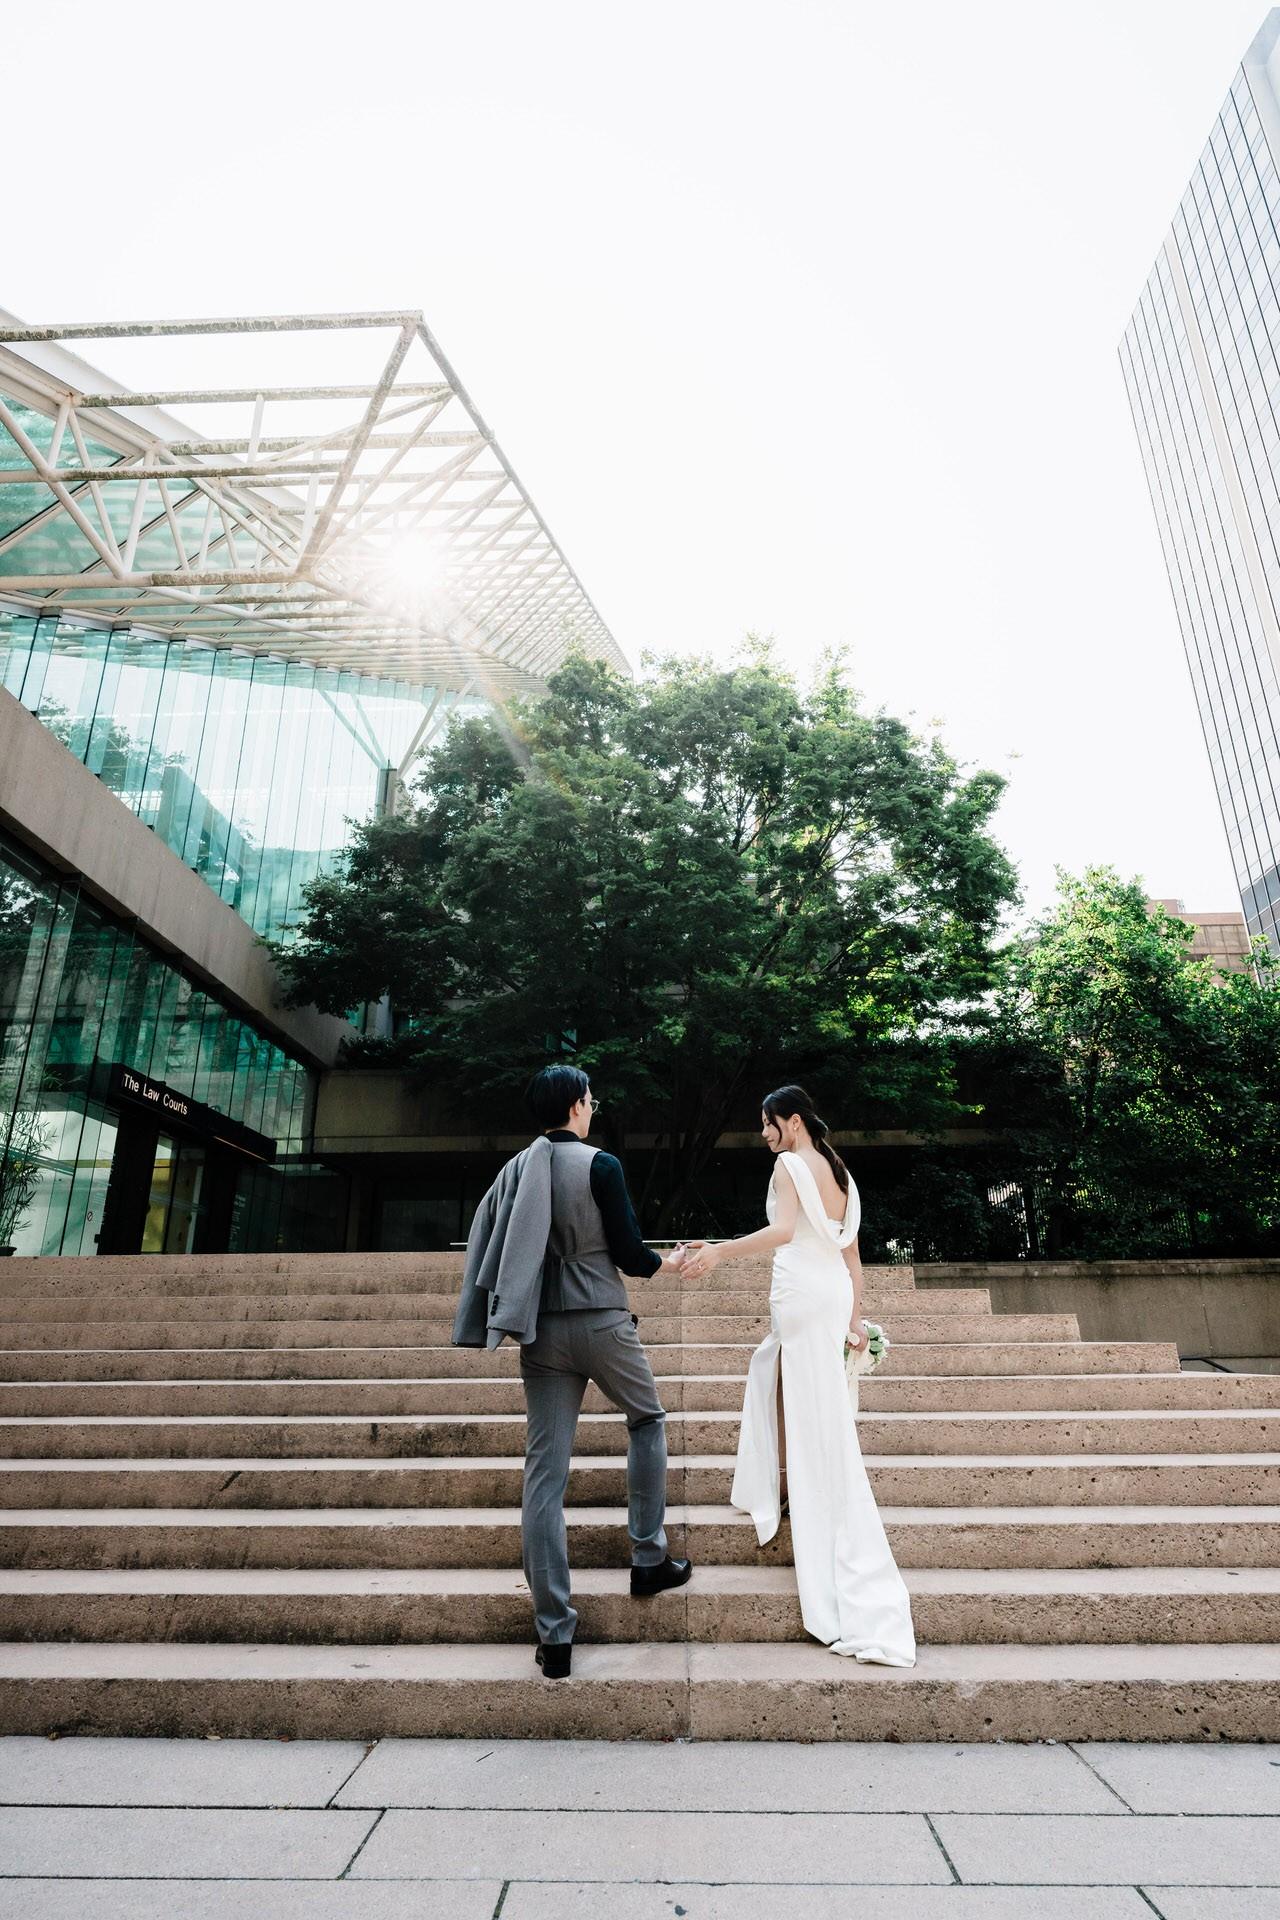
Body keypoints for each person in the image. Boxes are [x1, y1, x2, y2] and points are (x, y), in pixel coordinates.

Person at [454, 1064, 692, 1679]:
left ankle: (554, 1636)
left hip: (541, 1332)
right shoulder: (600, 1165)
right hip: (603, 1324)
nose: (594, 1107)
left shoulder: (516, 1171)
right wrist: (675, 1262)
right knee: (647, 1418)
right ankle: (647, 1558)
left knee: (544, 1476)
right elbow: (631, 1256)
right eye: (591, 1099)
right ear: (578, 1107)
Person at [682, 1083, 916, 1665]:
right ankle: (781, 1484)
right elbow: (853, 1260)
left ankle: (797, 1488)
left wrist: (718, 1252)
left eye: (767, 1123)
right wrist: (855, 1319)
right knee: (787, 1383)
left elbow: (784, 1233)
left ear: (791, 1121)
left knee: (798, 1394)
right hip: (832, 1296)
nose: (763, 1134)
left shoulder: (790, 1163)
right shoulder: (842, 1174)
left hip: (802, 1294)